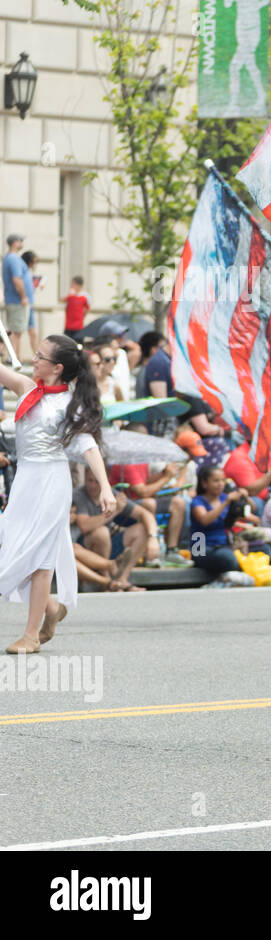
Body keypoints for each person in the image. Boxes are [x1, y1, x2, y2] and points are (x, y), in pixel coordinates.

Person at [0, 334, 114, 653]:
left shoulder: (68, 405)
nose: (33, 359)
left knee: (40, 558)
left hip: (52, 480)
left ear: (57, 368)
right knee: (11, 548)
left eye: (40, 356)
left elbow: (88, 446)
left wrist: (105, 487)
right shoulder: (26, 388)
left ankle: (31, 635)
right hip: (25, 479)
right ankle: (50, 608)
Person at [3, 234, 30, 358]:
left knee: (16, 331)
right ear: (15, 243)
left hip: (14, 300)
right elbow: (17, 279)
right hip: (17, 300)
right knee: (16, 331)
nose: (21, 243)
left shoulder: (10, 258)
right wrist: (24, 296)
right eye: (20, 241)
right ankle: (13, 359)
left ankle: (14, 358)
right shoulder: (13, 258)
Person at [20, 251, 42, 358]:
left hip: (30, 304)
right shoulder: (23, 270)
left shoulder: (28, 272)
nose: (35, 264)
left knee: (33, 332)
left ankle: (36, 356)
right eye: (34, 261)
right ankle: (15, 356)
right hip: (24, 304)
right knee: (17, 331)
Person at [62, 276, 91, 342]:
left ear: (78, 285)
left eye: (72, 284)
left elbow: (87, 309)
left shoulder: (85, 296)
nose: (71, 286)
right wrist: (70, 294)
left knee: (78, 345)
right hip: (68, 326)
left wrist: (82, 317)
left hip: (79, 327)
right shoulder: (69, 296)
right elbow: (63, 301)